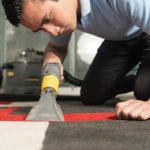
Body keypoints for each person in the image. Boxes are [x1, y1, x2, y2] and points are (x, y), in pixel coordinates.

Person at [2, 0, 150, 121]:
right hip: (122, 40)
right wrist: (52, 61)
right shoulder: (64, 17)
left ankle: (142, 83)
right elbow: (55, 47)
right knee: (92, 94)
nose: (52, 31)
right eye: (41, 28)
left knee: (143, 90)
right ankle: (137, 79)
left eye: (47, 19)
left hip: (145, 32)